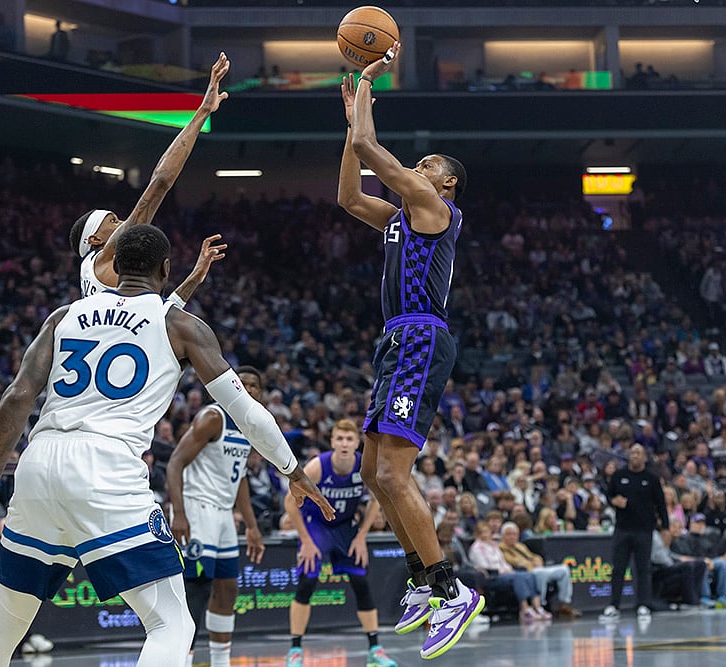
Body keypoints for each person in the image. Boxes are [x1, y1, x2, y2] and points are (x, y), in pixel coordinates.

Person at [0, 225, 333, 667]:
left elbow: (16, 397)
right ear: (165, 269)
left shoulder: (64, 315)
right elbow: (247, 413)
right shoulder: (180, 325)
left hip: (37, 463)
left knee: (7, 621)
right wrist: (293, 471)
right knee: (172, 624)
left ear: (116, 265)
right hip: (106, 466)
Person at [337, 43, 482, 660]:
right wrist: (352, 129)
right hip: (397, 337)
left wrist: (365, 89)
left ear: (445, 183)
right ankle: (426, 581)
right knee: (374, 474)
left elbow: (374, 153)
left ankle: (451, 589)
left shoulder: (434, 208)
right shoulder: (399, 216)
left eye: (425, 165)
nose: (415, 170)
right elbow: (349, 194)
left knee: (394, 473)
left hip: (421, 333)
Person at [71, 53, 231, 301]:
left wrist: (196, 276)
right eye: (112, 222)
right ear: (94, 239)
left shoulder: (99, 281)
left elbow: (163, 313)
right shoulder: (100, 259)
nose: (123, 222)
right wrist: (202, 112)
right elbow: (159, 184)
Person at [167, 366, 268, 667]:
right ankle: (180, 660)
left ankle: (221, 662)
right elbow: (174, 464)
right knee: (197, 589)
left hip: (223, 514)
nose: (249, 389)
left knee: (228, 587)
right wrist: (180, 513)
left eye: (255, 385)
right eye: (244, 383)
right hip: (197, 508)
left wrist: (251, 525)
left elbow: (240, 480)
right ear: (233, 386)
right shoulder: (214, 418)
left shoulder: (250, 425)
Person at [282, 420, 396, 667]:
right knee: (308, 581)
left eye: (349, 439)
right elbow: (290, 502)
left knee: (361, 582)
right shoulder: (317, 466)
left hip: (345, 527)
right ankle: (295, 650)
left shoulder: (363, 464)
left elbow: (379, 498)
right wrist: (306, 540)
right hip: (317, 525)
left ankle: (375, 649)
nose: (344, 444)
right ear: (332, 441)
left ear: (357, 443)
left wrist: (362, 535)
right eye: (340, 439)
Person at [600, 444, 668, 621]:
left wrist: (665, 527)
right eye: (633, 453)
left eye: (639, 453)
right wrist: (614, 500)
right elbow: (608, 495)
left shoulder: (651, 478)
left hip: (644, 530)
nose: (635, 456)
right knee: (618, 568)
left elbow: (661, 504)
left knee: (643, 568)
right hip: (622, 529)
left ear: (645, 457)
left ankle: (643, 604)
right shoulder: (619, 476)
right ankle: (614, 605)